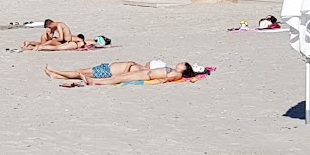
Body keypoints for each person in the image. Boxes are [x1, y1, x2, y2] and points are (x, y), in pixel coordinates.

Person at [44, 60, 201, 85]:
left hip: (146, 75)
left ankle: (94, 82)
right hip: (146, 74)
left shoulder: (177, 74)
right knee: (118, 78)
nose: (179, 63)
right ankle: (56, 73)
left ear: (184, 68)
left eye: (182, 63)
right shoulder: (174, 71)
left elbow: (166, 80)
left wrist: (156, 81)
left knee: (117, 79)